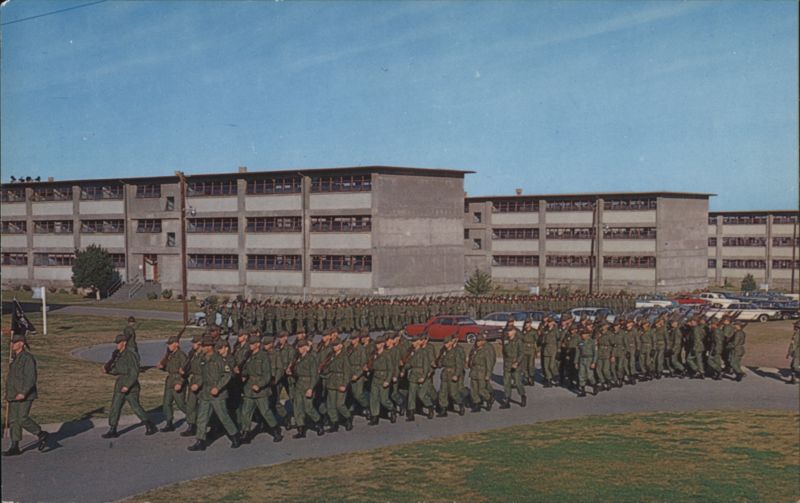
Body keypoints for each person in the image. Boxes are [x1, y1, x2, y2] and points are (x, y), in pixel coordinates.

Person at [187, 337, 241, 451]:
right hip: (205, 393)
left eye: (204, 346)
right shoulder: (203, 359)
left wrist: (218, 387)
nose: (202, 348)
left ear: (209, 347)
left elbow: (227, 375)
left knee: (223, 416)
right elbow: (202, 375)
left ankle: (235, 436)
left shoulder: (219, 360)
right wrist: (197, 384)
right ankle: (200, 441)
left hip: (218, 394)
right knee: (202, 417)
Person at [102, 334, 157, 438]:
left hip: (130, 385)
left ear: (124, 343)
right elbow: (118, 370)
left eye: (119, 343)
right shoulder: (119, 355)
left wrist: (127, 385)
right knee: (115, 406)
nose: (117, 345)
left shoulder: (130, 355)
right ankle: (112, 429)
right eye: (116, 343)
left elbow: (134, 372)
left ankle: (149, 424)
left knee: (135, 406)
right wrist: (108, 371)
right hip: (120, 383)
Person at [3, 333, 49, 456]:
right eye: (12, 342)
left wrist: (23, 392)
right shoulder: (14, 359)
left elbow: (30, 378)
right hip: (13, 395)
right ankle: (14, 446)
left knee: (22, 418)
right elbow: (12, 378)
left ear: (21, 344)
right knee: (14, 421)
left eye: (15, 342)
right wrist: (8, 394)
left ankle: (41, 433)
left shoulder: (27, 358)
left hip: (25, 395)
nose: (12, 344)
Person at [239, 334, 283, 443]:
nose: (250, 345)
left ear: (258, 345)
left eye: (253, 344)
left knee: (265, 412)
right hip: (249, 389)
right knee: (245, 412)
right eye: (250, 343)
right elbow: (245, 369)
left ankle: (276, 430)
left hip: (261, 391)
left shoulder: (264, 357)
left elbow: (267, 375)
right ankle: (245, 433)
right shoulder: (248, 355)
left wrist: (259, 385)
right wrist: (243, 374)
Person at [288, 339, 325, 438]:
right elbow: (297, 371)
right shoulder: (297, 359)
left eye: (301, 347)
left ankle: (319, 423)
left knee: (308, 408)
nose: (299, 349)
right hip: (299, 384)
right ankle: (301, 429)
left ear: (305, 348)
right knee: (297, 407)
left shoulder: (310, 359)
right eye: (298, 347)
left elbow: (315, 375)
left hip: (308, 384)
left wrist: (311, 388)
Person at [157, 335, 187, 432]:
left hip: (178, 380)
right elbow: (170, 368)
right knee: (166, 403)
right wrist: (162, 367)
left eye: (171, 344)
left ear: (177, 344)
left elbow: (185, 371)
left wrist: (180, 383)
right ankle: (169, 423)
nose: (169, 346)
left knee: (181, 404)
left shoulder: (181, 355)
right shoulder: (170, 355)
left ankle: (193, 419)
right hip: (170, 381)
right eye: (169, 344)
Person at [323, 336, 353, 432]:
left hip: (340, 382)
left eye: (336, 345)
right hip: (331, 382)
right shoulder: (331, 356)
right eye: (333, 345)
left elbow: (347, 372)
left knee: (339, 404)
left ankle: (348, 418)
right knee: (331, 404)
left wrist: (344, 384)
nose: (334, 347)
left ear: (340, 346)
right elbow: (328, 368)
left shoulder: (344, 357)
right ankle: (334, 423)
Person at [368, 335, 397, 425]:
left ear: (383, 344)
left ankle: (392, 409)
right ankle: (375, 417)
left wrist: (388, 380)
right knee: (374, 398)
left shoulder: (386, 355)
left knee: (384, 400)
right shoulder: (374, 354)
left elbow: (390, 369)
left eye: (379, 343)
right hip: (375, 378)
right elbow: (372, 365)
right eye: (376, 343)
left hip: (384, 378)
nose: (377, 345)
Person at [179, 334, 203, 437]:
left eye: (194, 343)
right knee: (190, 404)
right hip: (193, 379)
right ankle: (191, 425)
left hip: (202, 381)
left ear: (200, 344)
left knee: (204, 405)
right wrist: (184, 371)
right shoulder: (192, 354)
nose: (193, 344)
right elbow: (189, 366)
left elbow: (206, 372)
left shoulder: (204, 355)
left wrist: (198, 384)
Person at [436, 335, 466, 417]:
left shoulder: (456, 352)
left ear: (451, 343)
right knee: (443, 392)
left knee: (453, 393)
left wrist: (456, 375)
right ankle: (443, 410)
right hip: (445, 373)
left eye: (447, 342)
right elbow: (440, 362)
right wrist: (439, 362)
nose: (445, 344)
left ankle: (461, 404)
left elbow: (459, 365)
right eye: (444, 343)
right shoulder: (444, 351)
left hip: (452, 373)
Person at [467, 332, 495, 412]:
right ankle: (477, 404)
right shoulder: (474, 350)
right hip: (474, 372)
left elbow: (489, 364)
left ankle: (489, 398)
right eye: (477, 341)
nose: (478, 342)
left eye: (479, 341)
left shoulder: (485, 351)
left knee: (481, 390)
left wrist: (488, 374)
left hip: (482, 372)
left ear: (483, 341)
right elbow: (471, 359)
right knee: (473, 390)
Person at [500, 327, 526, 408]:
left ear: (514, 332)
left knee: (518, 383)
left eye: (510, 331)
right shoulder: (506, 340)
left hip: (516, 365)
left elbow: (521, 353)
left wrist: (517, 362)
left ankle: (523, 396)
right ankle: (507, 401)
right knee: (506, 383)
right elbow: (504, 352)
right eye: (508, 331)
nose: (508, 332)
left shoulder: (518, 341)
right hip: (507, 364)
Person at [575, 330, 598, 397]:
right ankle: (583, 391)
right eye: (582, 334)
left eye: (585, 334)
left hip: (589, 359)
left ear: (588, 334)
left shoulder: (592, 342)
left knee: (590, 375)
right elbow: (577, 353)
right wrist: (576, 362)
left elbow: (595, 353)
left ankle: (594, 386)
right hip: (582, 359)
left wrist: (594, 362)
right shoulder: (580, 342)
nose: (583, 335)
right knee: (581, 375)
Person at [520, 317, 538, 386]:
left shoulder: (534, 331)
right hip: (524, 349)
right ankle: (526, 378)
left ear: (530, 323)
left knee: (530, 365)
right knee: (524, 365)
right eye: (526, 323)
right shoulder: (523, 331)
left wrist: (537, 351)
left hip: (531, 349)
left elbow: (537, 341)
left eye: (528, 323)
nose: (527, 324)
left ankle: (531, 378)